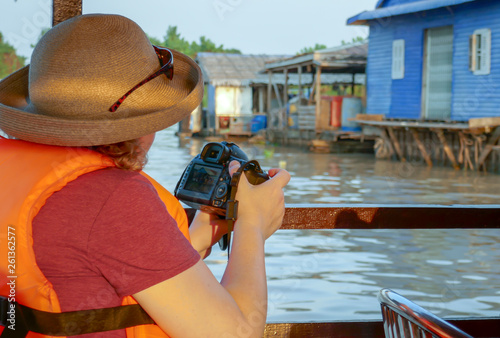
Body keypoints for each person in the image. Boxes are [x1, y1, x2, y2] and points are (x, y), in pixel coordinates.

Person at [0, 14, 290, 337]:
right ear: (141, 122)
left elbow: (90, 261)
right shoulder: (113, 198)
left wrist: (198, 238)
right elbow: (238, 334)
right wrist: (253, 222)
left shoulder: (18, 174)